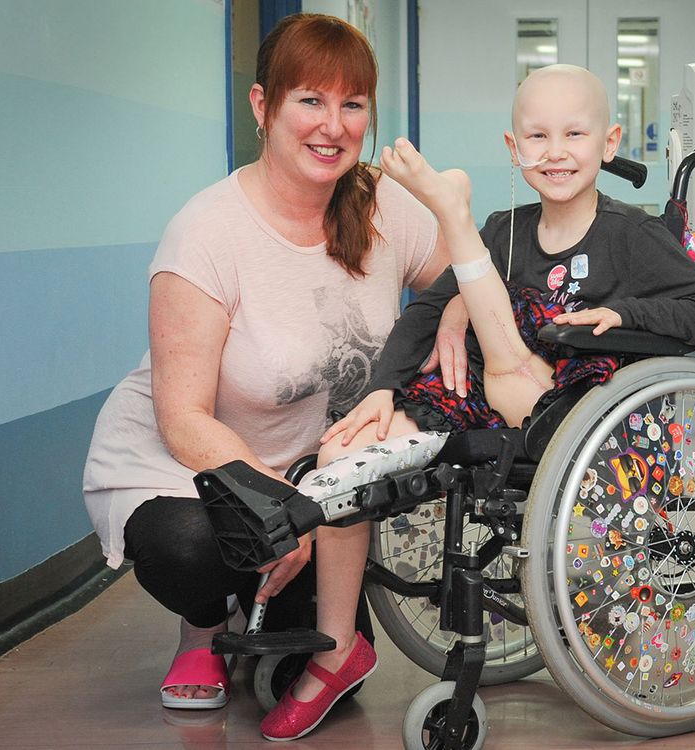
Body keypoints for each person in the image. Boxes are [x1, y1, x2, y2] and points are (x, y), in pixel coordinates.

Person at [81, 14, 454, 743]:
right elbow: (184, 417)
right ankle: (201, 626)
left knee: (306, 667)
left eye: (353, 105)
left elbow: (466, 276)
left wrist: (452, 314)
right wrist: (284, 509)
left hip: (315, 471)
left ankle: (279, 604)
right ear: (263, 106)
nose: (333, 125)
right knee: (193, 549)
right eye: (309, 100)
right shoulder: (207, 233)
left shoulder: (379, 205)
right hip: (191, 462)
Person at [324, 63, 695, 445]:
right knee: (364, 443)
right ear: (513, 146)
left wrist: (624, 313)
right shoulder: (504, 230)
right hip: (496, 403)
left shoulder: (632, 234)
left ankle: (453, 215)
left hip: (591, 411)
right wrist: (382, 389)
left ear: (609, 142)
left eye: (574, 134)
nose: (554, 151)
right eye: (537, 136)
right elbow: (424, 312)